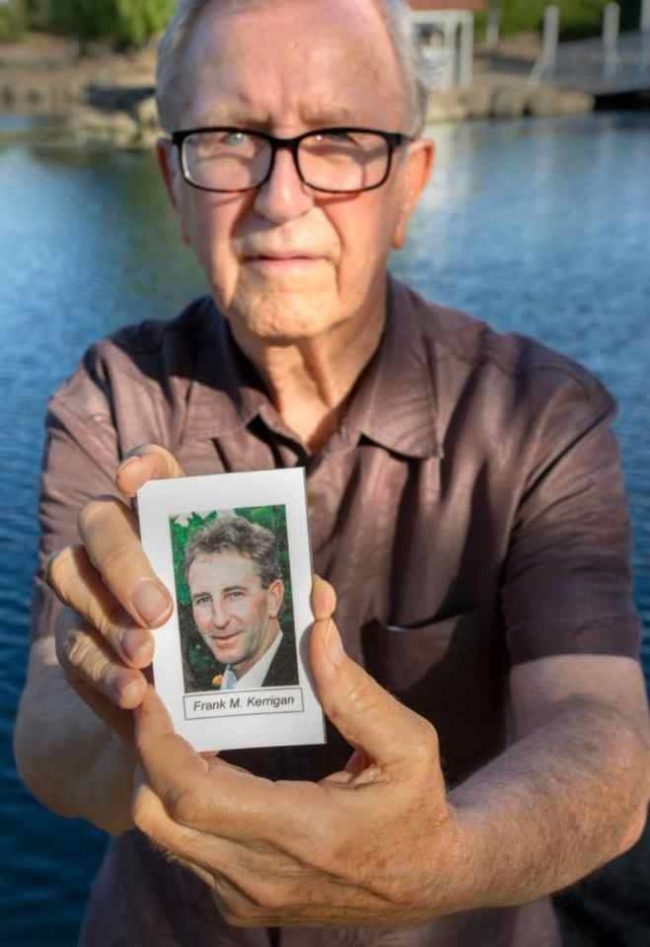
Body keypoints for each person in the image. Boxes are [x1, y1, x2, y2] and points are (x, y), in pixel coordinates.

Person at [13, 0, 650, 945]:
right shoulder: (112, 403)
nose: (280, 198)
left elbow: (604, 737)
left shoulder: (538, 415)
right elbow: (51, 742)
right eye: (230, 137)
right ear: (173, 184)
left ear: (411, 186)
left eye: (343, 138)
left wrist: (447, 862)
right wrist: (116, 693)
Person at [183, 514, 298, 690]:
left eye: (234, 595)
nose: (219, 620)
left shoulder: (306, 678)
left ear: (273, 599)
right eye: (203, 599)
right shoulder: (207, 688)